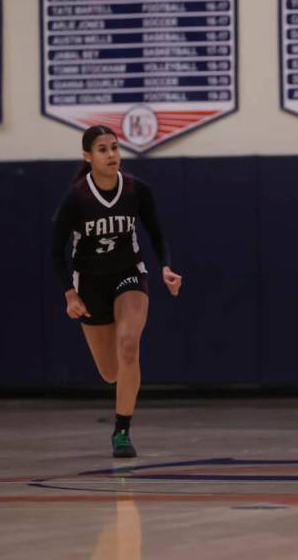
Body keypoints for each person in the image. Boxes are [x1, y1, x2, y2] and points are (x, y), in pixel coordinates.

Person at [50, 125, 182, 458]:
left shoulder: (137, 190)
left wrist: (166, 266)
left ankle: (121, 431)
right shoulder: (76, 197)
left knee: (128, 346)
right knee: (110, 372)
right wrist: (70, 294)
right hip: (90, 284)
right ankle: (121, 400)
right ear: (87, 156)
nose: (111, 155)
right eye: (102, 149)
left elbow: (157, 234)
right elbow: (55, 249)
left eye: (114, 147)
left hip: (129, 275)